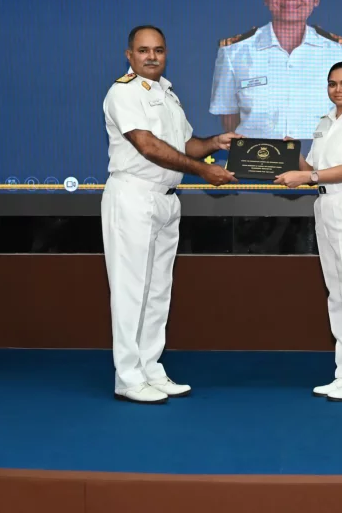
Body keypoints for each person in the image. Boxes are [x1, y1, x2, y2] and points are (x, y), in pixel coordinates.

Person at [102, 24, 241, 404]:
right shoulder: (123, 93)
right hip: (133, 196)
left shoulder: (167, 94)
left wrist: (215, 143)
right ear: (129, 56)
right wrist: (203, 171)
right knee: (131, 290)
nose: (152, 57)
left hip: (166, 199)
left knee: (157, 290)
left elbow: (183, 145)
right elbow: (147, 147)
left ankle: (150, 368)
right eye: (143, 50)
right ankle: (128, 377)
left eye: (159, 50)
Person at [275, 61, 342, 401]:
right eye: (333, 84)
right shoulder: (324, 123)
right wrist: (291, 155)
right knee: (338, 295)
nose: (339, 90)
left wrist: (308, 177)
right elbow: (314, 168)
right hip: (325, 208)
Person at [209, 0, 342, 141]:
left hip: (321, 167)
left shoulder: (341, 53)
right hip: (258, 165)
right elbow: (229, 118)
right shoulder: (234, 53)